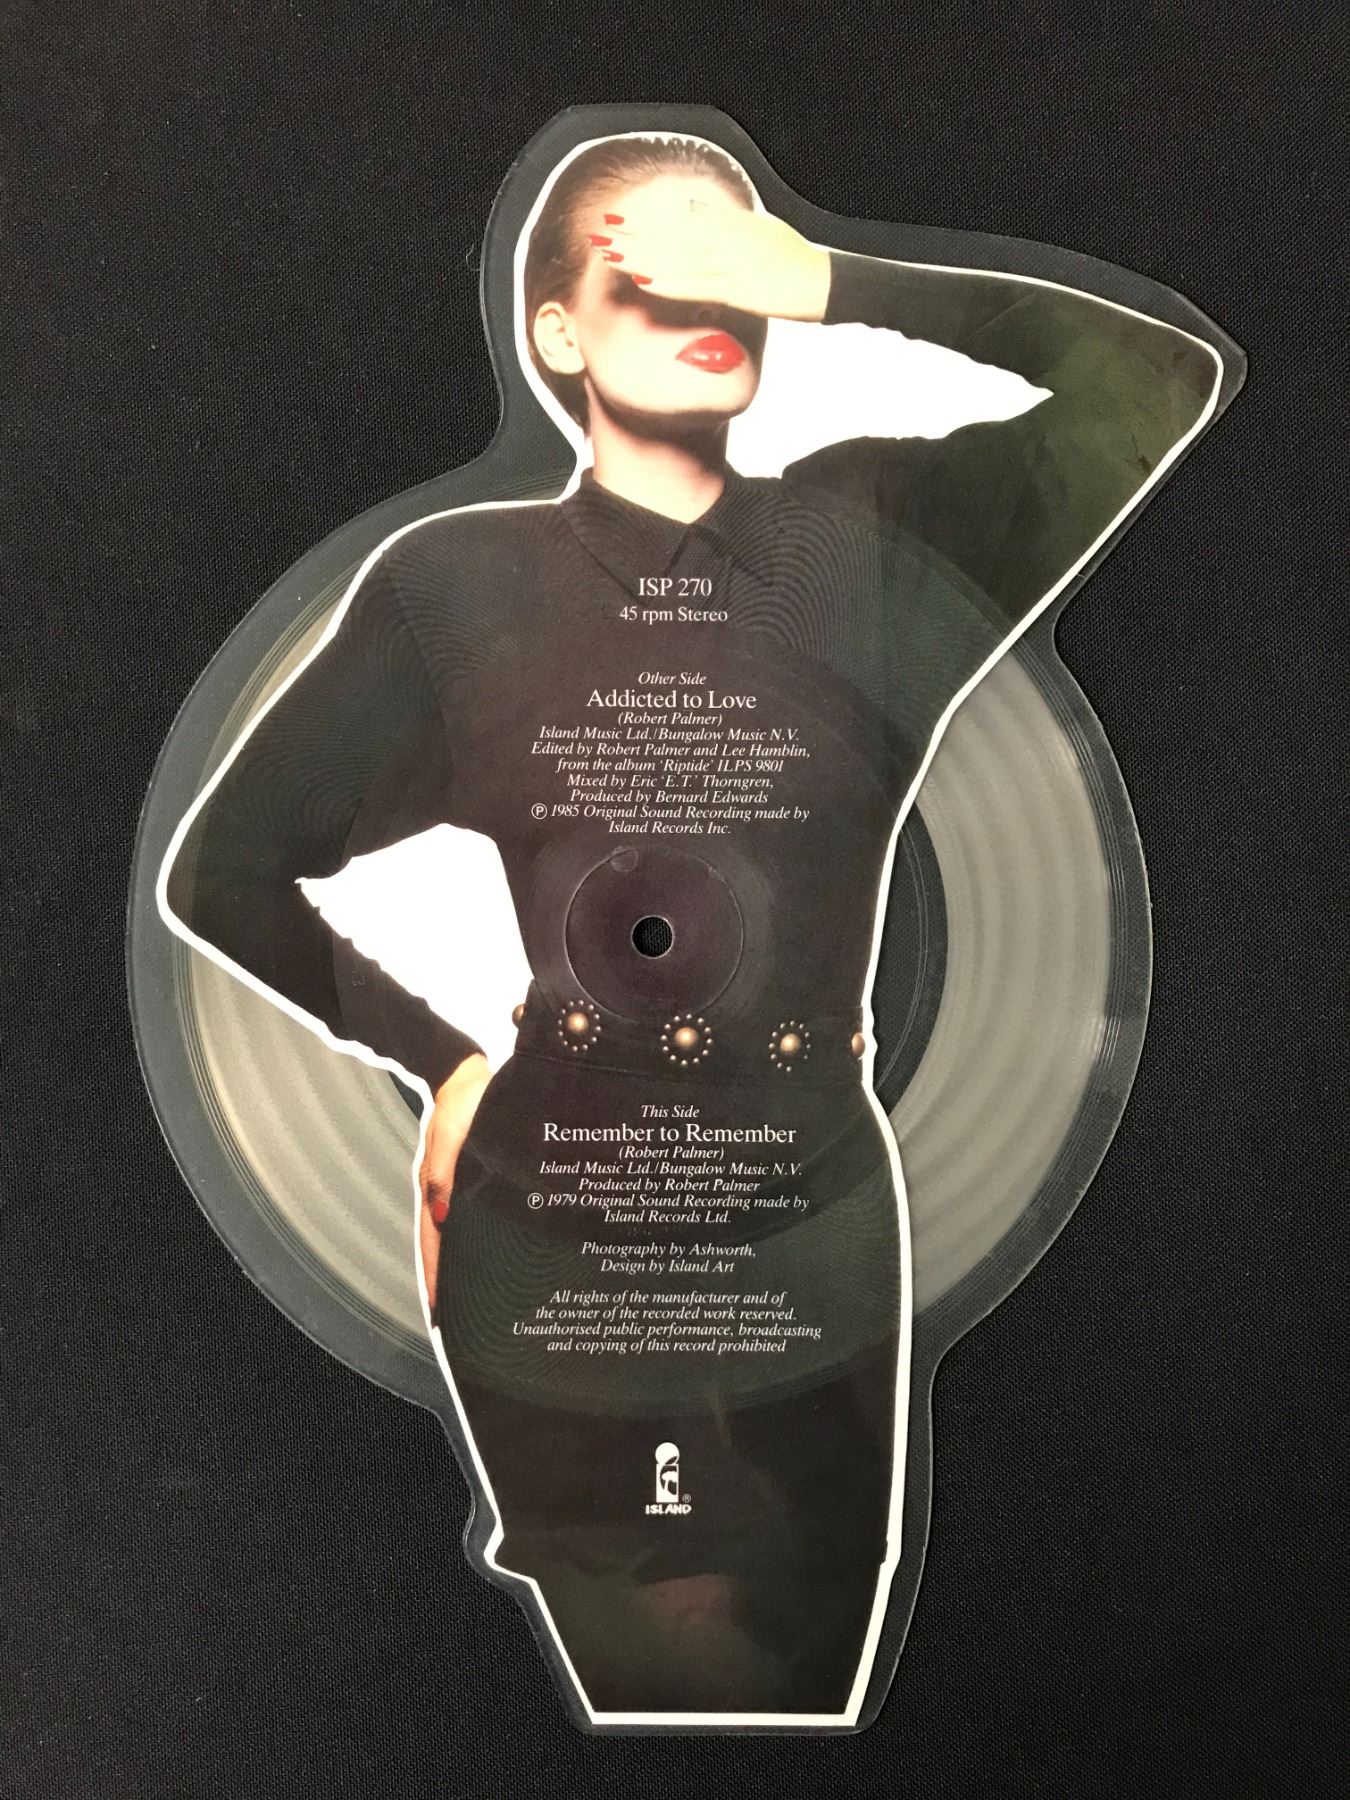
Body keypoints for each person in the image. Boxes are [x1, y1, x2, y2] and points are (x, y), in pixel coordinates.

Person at [163, 132, 1222, 1720]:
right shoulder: (455, 583)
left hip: (809, 1209)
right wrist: (437, 1058)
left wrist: (820, 274)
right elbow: (228, 870)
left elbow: (1148, 381)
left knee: (795, 1697)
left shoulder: (867, 555)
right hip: (552, 1215)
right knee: (636, 1694)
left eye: (728, 271)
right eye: (650, 277)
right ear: (556, 333)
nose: (704, 302)